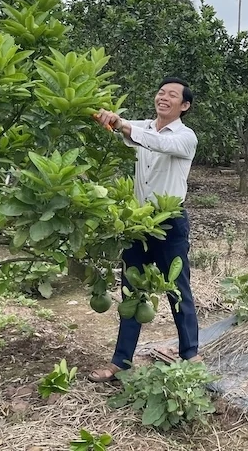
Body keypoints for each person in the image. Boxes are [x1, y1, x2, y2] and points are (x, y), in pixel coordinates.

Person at [88, 76, 201, 383]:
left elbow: (156, 142)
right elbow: (125, 127)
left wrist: (124, 126)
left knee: (178, 290)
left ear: (184, 105)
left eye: (172, 95)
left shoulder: (186, 137)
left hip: (170, 222)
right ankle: (121, 361)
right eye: (161, 92)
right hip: (138, 223)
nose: (163, 97)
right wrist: (103, 115)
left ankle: (190, 356)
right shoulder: (143, 126)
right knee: (131, 292)